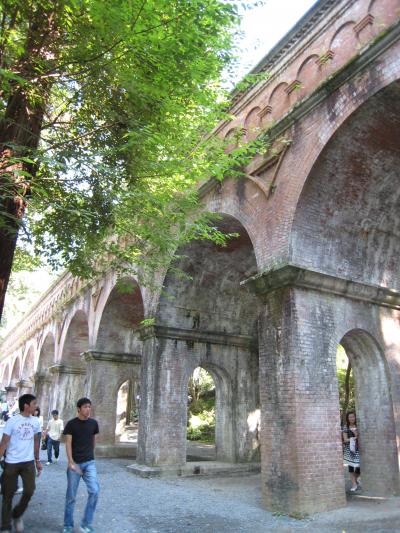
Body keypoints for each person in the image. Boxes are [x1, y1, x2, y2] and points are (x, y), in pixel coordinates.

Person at [0, 393, 42, 532]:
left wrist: (37, 461)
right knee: (8, 495)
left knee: (29, 490)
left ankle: (17, 514)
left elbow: (36, 441)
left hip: (28, 462)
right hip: (11, 462)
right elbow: (4, 442)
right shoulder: (12, 421)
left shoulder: (35, 422)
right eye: (34, 404)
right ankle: (5, 526)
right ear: (26, 406)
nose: (36, 406)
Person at [63, 398, 99, 533]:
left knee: (94, 491)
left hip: (89, 463)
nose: (88, 409)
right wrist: (71, 462)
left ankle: (86, 523)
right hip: (75, 464)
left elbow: (93, 442)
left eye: (89, 407)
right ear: (78, 409)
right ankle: (68, 525)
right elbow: (68, 444)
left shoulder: (93, 424)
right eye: (85, 407)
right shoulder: (71, 424)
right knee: (71, 496)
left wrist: (90, 456)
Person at [342, 410, 360, 492]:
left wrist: (356, 433)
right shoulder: (345, 427)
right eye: (350, 417)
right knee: (351, 467)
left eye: (353, 416)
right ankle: (354, 484)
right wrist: (353, 438)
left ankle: (355, 480)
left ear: (355, 417)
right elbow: (345, 440)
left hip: (358, 450)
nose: (351, 418)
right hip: (349, 450)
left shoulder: (358, 426)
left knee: (359, 467)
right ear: (347, 418)